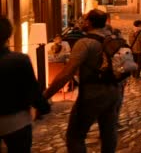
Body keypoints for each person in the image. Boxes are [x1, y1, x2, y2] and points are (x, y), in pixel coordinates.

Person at [43, 9, 122, 152]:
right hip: (114, 92)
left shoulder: (85, 43)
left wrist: (46, 95)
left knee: (75, 136)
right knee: (109, 133)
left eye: (84, 19)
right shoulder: (112, 39)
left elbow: (67, 72)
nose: (82, 22)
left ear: (89, 22)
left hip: (92, 94)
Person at [0, 16, 51, 152]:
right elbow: (32, 89)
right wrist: (43, 107)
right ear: (9, 35)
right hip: (16, 120)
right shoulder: (19, 60)